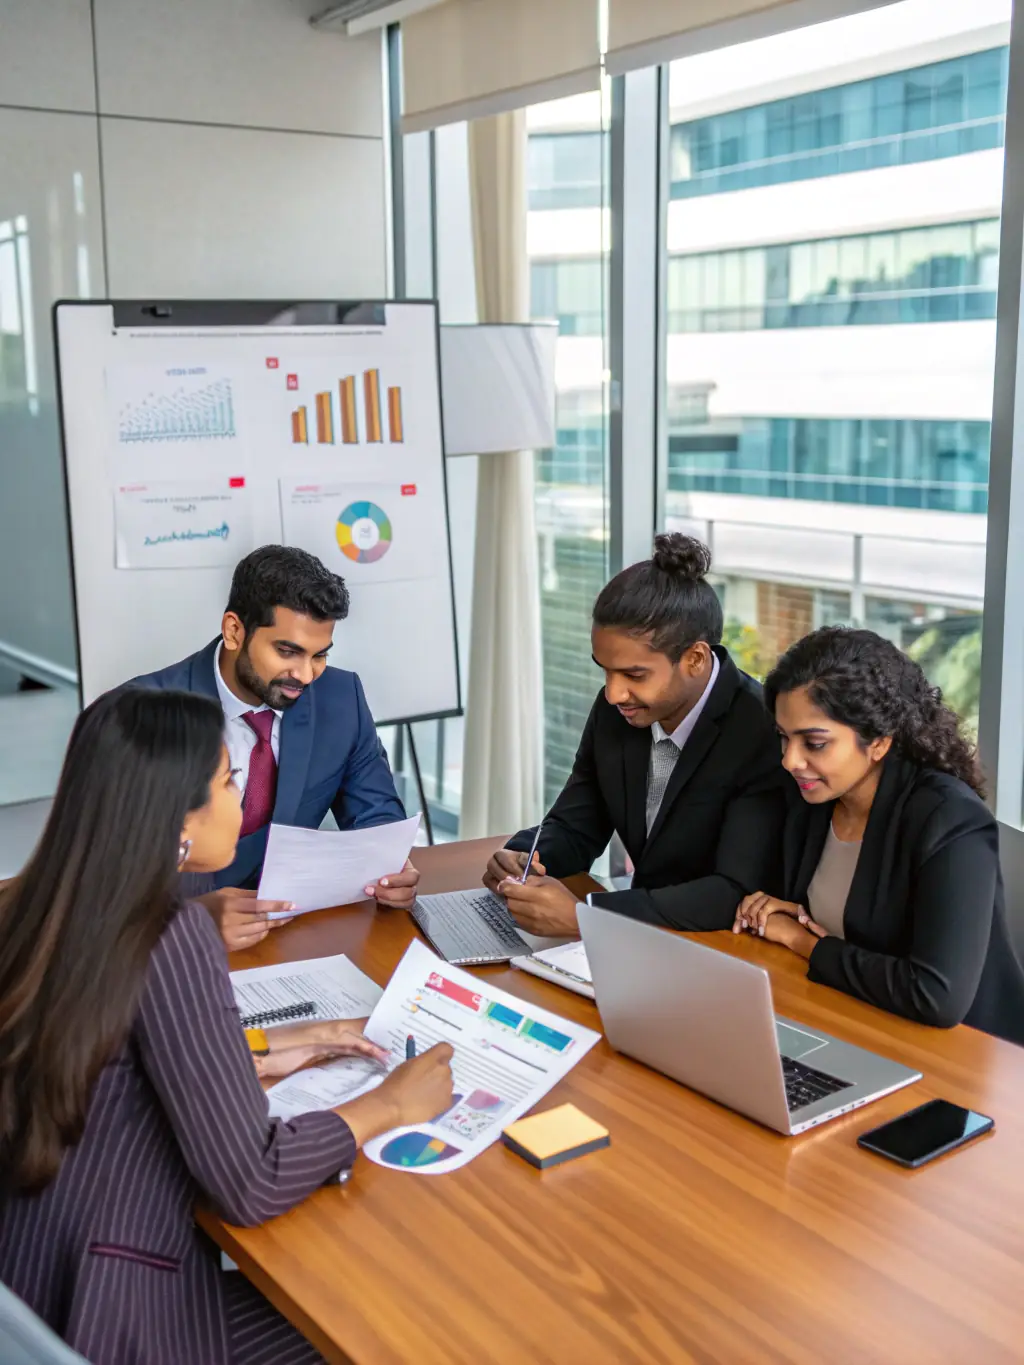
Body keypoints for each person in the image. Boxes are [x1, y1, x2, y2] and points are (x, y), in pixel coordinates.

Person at [0, 687, 454, 1365]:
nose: (242, 800)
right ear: (174, 816)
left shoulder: (32, 902)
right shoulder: (171, 933)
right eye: (226, 780)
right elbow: (250, 1181)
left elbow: (102, 1049)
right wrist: (391, 1102)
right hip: (117, 1311)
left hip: (32, 1277)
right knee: (384, 1323)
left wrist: (272, 1044)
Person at [733, 627, 1024, 1044]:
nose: (790, 760)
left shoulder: (950, 819)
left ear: (880, 742)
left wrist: (802, 940)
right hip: (855, 1022)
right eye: (784, 737)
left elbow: (934, 995)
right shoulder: (815, 798)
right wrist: (793, 911)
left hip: (965, 1057)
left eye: (814, 743)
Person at [486, 534, 787, 934]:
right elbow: (577, 825)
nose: (613, 693)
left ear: (695, 659)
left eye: (634, 675)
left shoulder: (763, 731)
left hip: (727, 950)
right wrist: (525, 855)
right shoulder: (618, 711)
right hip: (642, 939)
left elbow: (731, 891)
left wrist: (590, 916)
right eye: (605, 670)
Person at [131, 544, 419, 951]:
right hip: (167, 954)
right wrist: (188, 920)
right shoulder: (139, 713)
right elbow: (96, 879)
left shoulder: (341, 698)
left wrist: (392, 871)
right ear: (234, 631)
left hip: (293, 938)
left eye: (319, 655)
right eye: (287, 651)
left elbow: (377, 819)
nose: (305, 675)